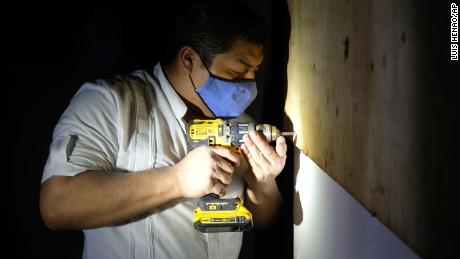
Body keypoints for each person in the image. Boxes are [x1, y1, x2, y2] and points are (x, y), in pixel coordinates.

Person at [39, 1, 287, 258]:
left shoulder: (243, 126)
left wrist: (263, 185)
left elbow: (263, 222)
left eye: (254, 73)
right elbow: (57, 205)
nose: (249, 86)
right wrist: (177, 180)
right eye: (237, 72)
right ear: (189, 59)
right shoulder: (109, 102)